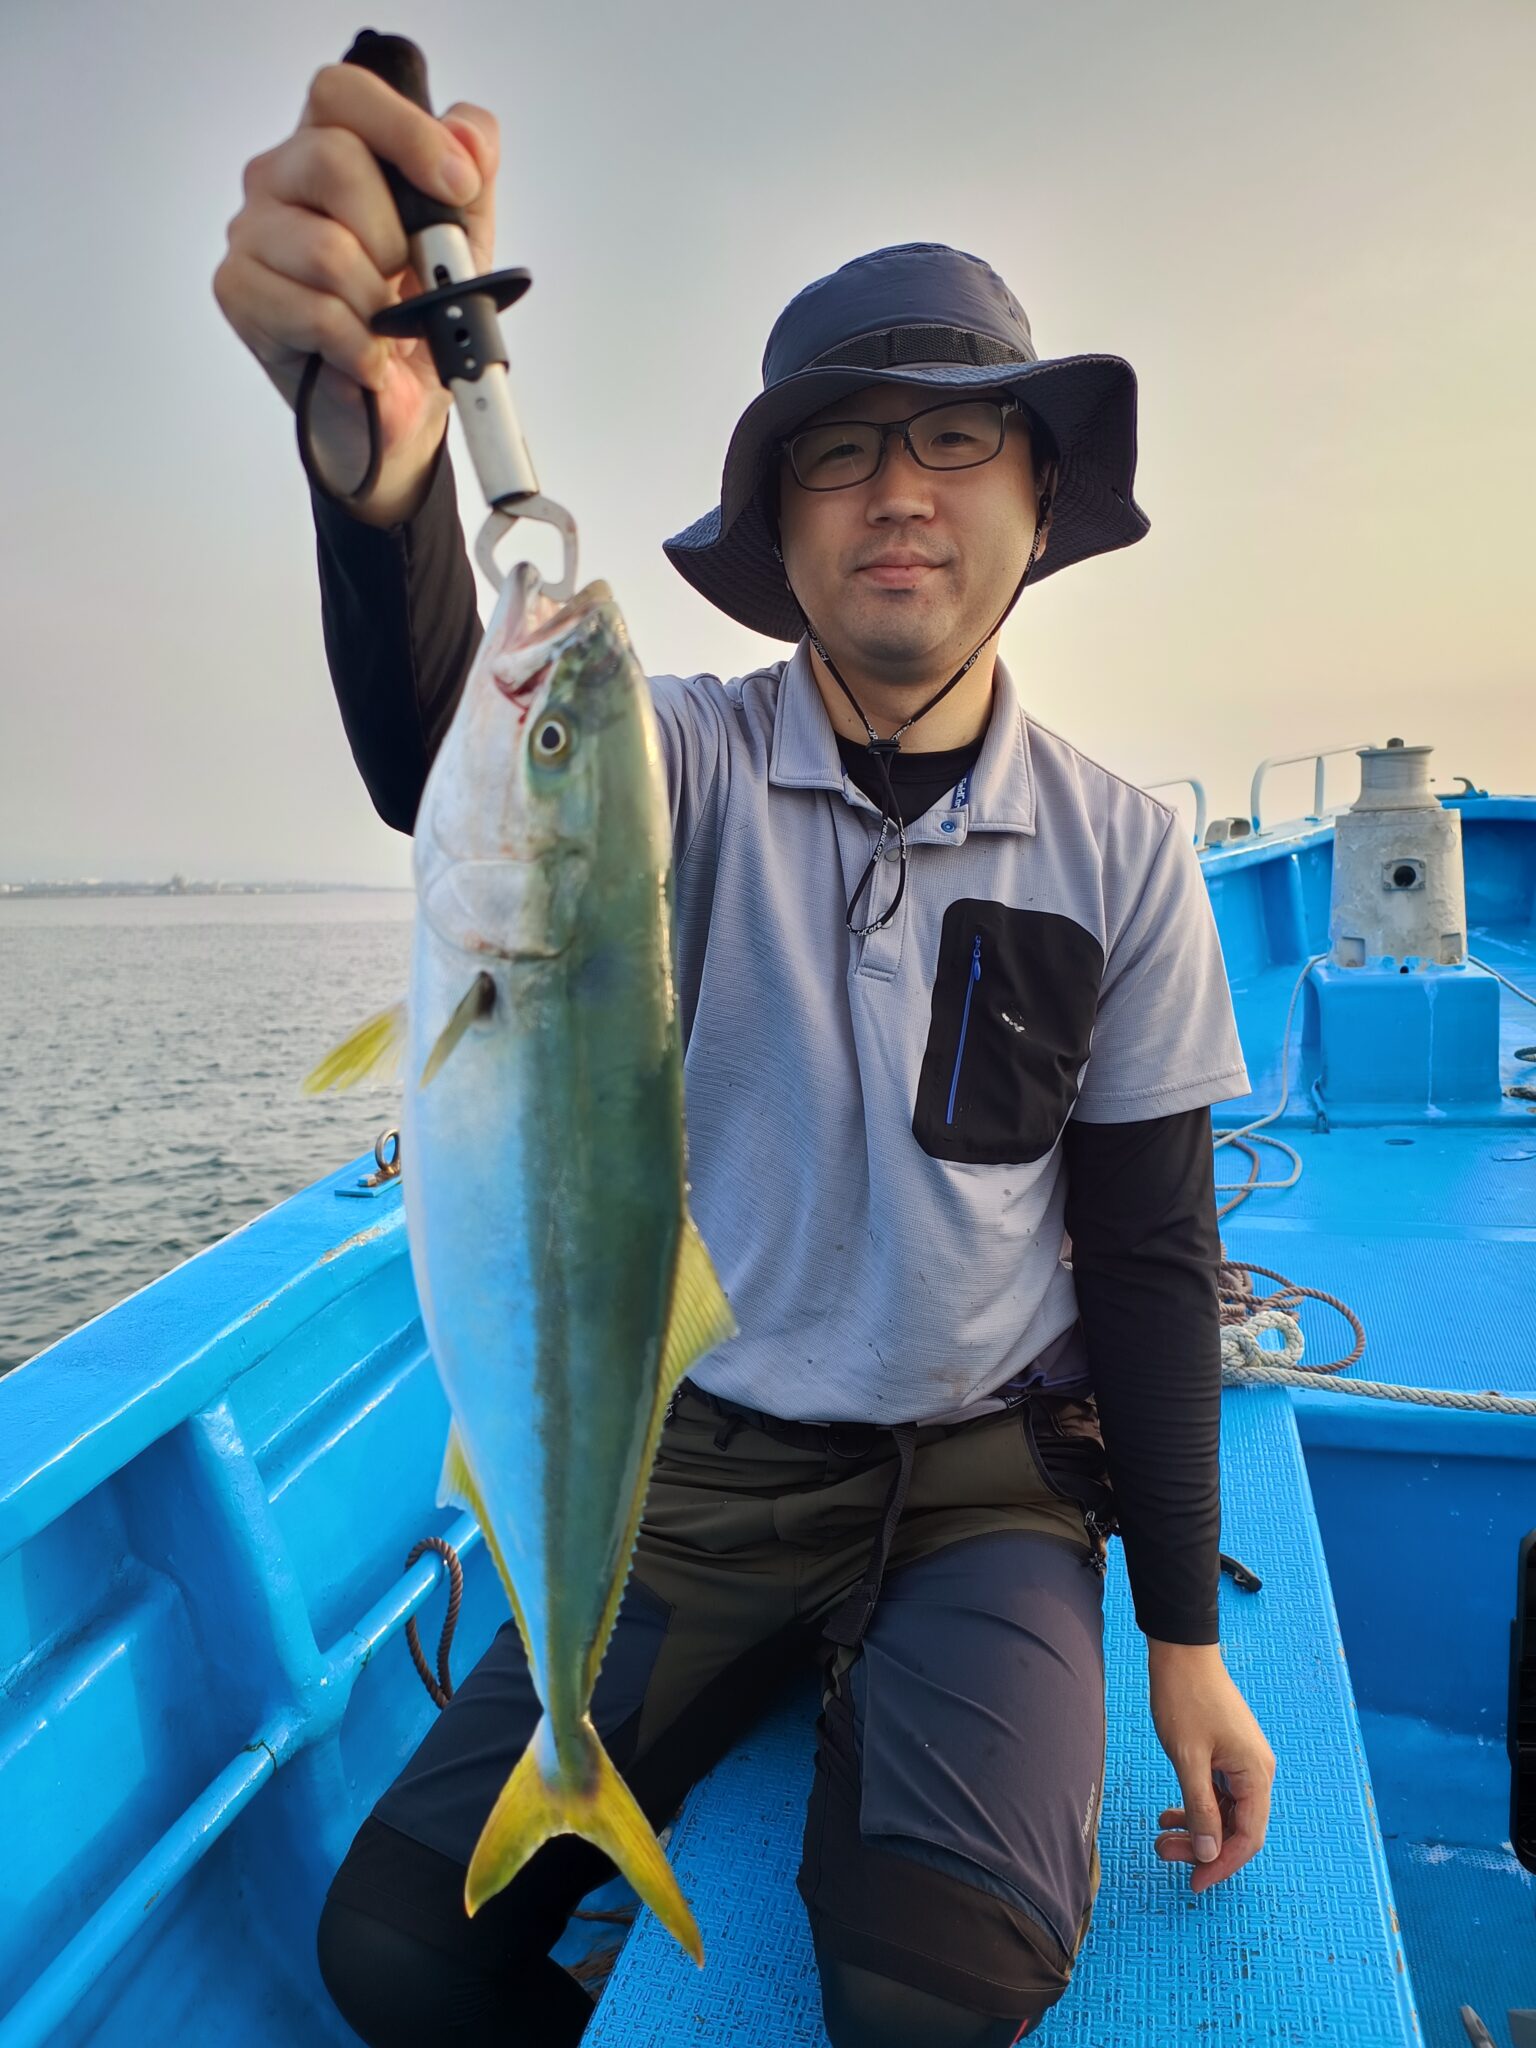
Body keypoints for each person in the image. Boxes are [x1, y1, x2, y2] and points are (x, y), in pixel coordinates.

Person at [215, 62, 1277, 2048]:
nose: (901, 488)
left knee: (932, 1993)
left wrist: (1186, 1642)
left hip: (981, 1480)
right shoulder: (672, 761)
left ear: (1039, 501)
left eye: (957, 436)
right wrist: (381, 485)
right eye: (839, 452)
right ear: (779, 534)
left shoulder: (1123, 849)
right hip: (694, 1461)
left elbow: (1148, 1250)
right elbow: (458, 749)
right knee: (401, 1954)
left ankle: (903, 1687)